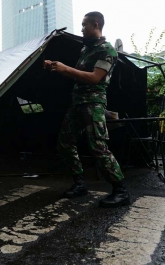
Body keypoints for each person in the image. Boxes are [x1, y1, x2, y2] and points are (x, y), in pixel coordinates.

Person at [44, 12, 130, 208]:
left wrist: (65, 69)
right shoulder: (86, 49)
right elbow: (79, 75)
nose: (82, 29)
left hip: (93, 103)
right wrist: (55, 67)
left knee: (98, 147)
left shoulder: (107, 50)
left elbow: (94, 78)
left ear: (96, 24)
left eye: (84, 25)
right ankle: (79, 183)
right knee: (65, 143)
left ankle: (121, 190)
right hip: (78, 103)